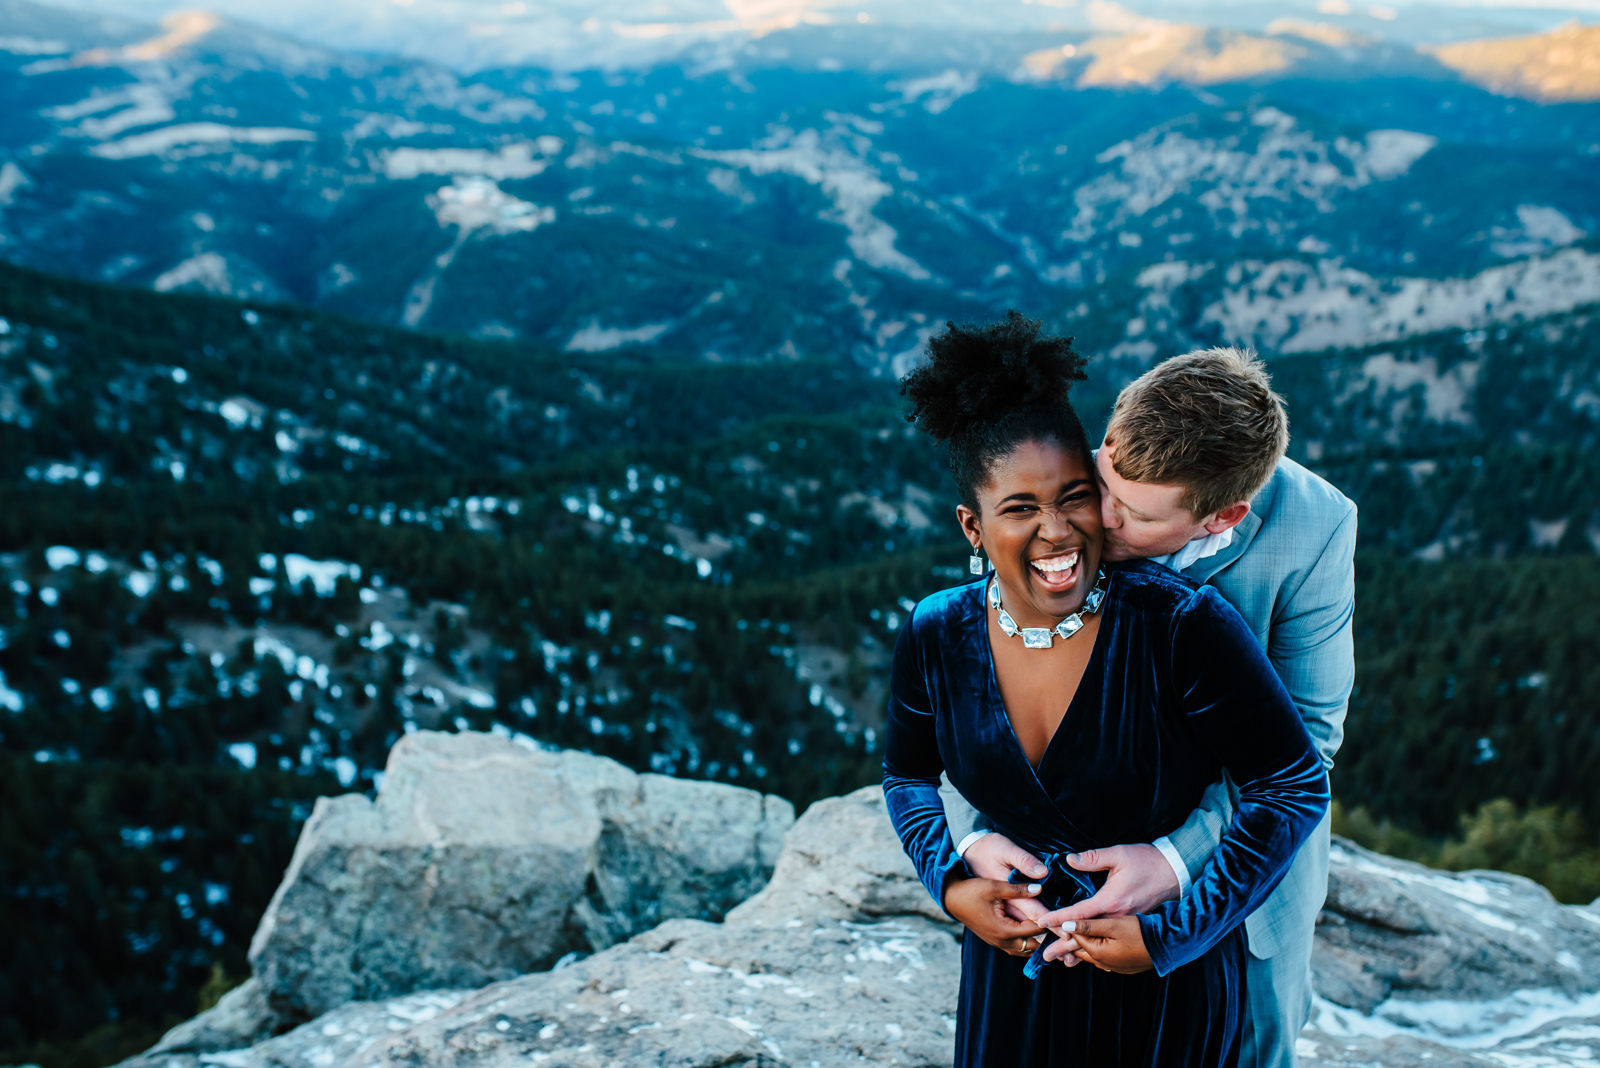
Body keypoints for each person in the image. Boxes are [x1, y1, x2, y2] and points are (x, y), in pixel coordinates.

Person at [883, 312, 1330, 1067]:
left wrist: (1171, 922)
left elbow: (1295, 772)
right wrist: (957, 879)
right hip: (1011, 978)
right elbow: (908, 772)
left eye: (1079, 502)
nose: (1077, 530)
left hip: (1160, 969)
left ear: (1218, 519)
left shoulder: (1186, 619)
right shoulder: (937, 627)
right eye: (1102, 489)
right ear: (972, 526)